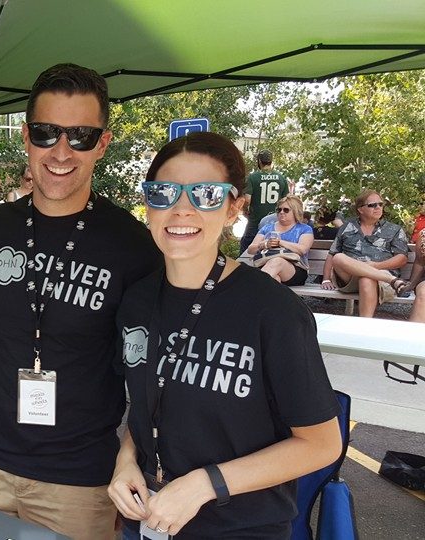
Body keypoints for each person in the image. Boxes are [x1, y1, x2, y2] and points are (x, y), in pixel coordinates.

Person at [0, 63, 161, 540]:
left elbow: (148, 371)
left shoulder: (134, 245)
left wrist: (131, 461)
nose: (61, 151)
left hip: (78, 479)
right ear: (25, 137)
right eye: (46, 133)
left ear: (102, 143)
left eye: (79, 135)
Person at [110, 131, 342, 539]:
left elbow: (321, 444)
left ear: (235, 207)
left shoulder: (274, 311)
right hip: (145, 519)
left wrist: (204, 485)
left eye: (206, 195)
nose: (182, 209)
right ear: (148, 203)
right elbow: (148, 402)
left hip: (241, 528)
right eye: (164, 192)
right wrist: (126, 460)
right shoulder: (136, 302)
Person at [320, 189, 409, 317]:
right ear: (360, 209)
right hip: (350, 277)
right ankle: (393, 281)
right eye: (372, 205)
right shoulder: (347, 227)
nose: (378, 207)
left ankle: (364, 326)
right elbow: (332, 254)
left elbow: (401, 259)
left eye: (380, 204)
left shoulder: (394, 229)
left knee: (366, 278)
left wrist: (375, 266)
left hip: (380, 277)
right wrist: (326, 279)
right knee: (339, 257)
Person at [247, 195, 314, 286]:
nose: (281, 212)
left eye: (286, 210)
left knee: (277, 261)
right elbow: (250, 249)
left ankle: (249, 292)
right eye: (279, 210)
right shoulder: (267, 228)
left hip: (295, 269)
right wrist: (265, 244)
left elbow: (302, 250)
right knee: (275, 280)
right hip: (266, 265)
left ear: (295, 211)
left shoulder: (304, 229)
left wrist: (279, 242)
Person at [240, 150, 289, 254]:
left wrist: (245, 210)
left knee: (246, 245)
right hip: (275, 221)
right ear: (271, 161)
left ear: (259, 161)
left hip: (255, 220)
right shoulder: (281, 178)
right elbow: (287, 200)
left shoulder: (253, 177)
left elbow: (247, 199)